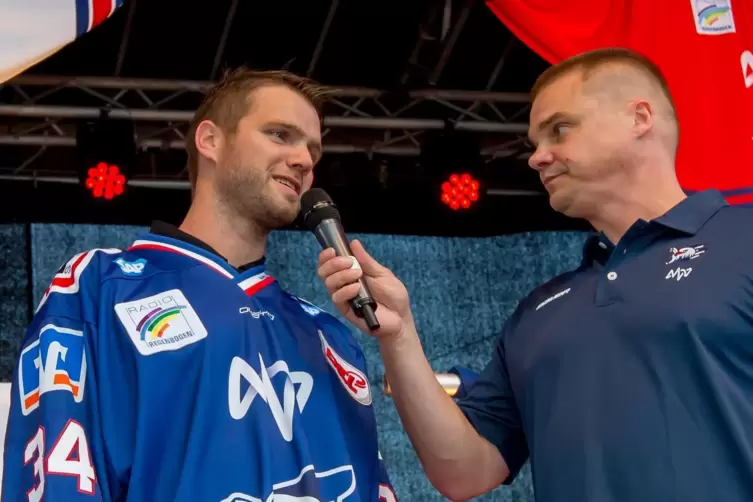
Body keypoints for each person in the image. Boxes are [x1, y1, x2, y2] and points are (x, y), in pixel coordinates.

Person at [316, 47, 753, 502]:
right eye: (535, 143)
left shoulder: (743, 240)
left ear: (639, 118)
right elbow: (464, 474)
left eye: (559, 130)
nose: (537, 157)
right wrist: (399, 334)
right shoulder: (539, 312)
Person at [2, 68, 398, 502]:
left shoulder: (331, 336)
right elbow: (58, 476)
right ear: (210, 140)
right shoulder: (100, 286)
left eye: (312, 148)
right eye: (280, 135)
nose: (305, 160)